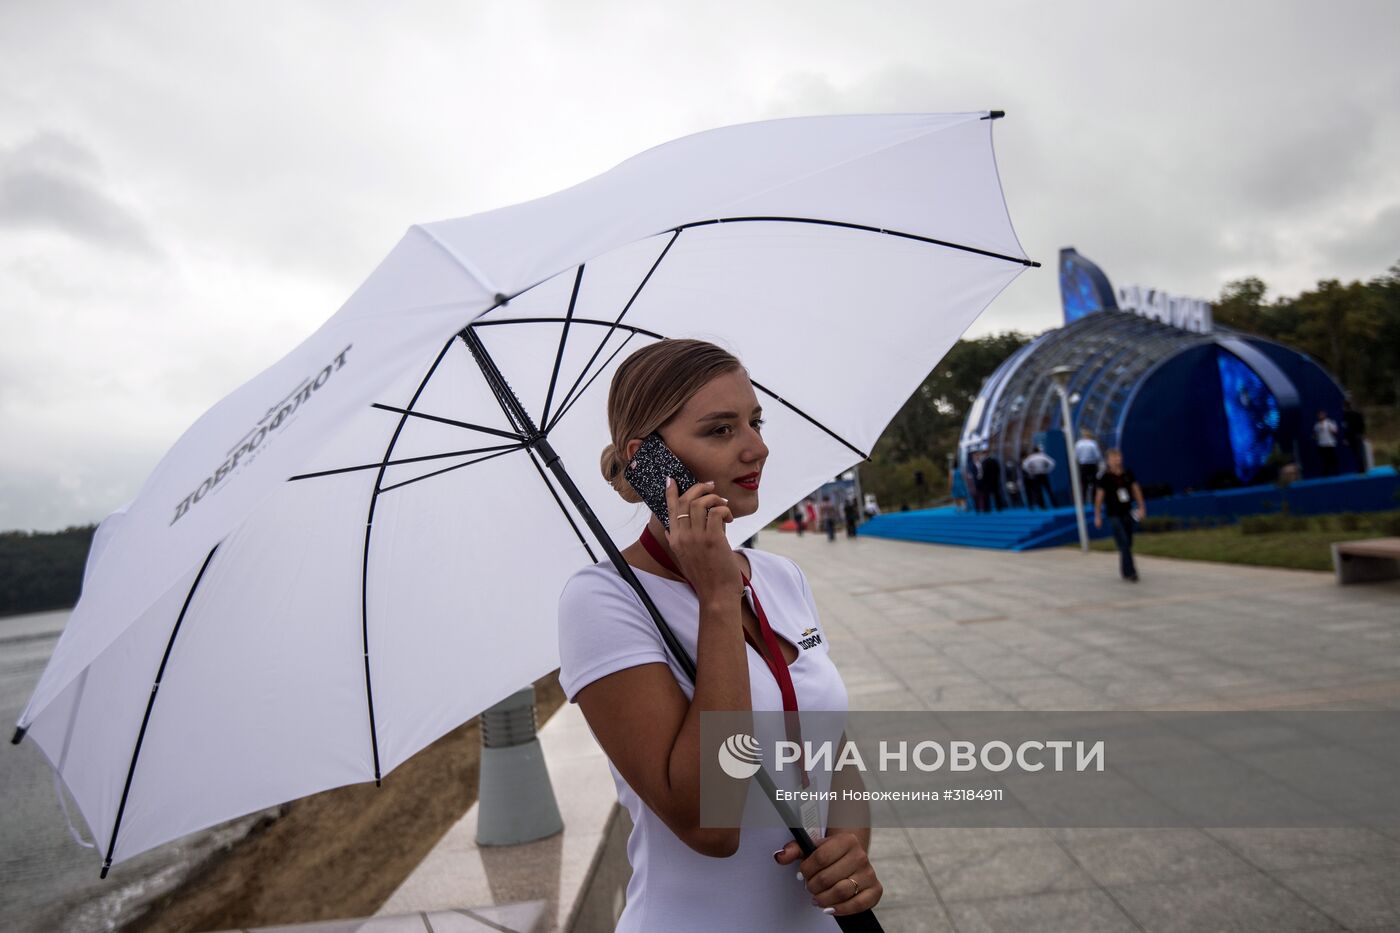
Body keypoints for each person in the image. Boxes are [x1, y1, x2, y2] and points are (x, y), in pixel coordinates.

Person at [557, 339, 883, 930]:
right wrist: (715, 600)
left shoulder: (783, 578)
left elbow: (832, 748)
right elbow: (710, 824)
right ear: (651, 460)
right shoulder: (603, 601)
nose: (756, 447)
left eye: (755, 422)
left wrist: (851, 843)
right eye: (720, 430)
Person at [1094, 448, 1146, 582]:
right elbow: (1099, 497)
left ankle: (1125, 571)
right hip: (1113, 514)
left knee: (1128, 543)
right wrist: (1098, 515)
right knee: (1123, 541)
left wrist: (1141, 507)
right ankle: (1131, 572)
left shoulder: (1128, 474)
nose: (1116, 461)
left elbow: (1136, 490)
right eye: (1113, 458)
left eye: (1118, 458)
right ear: (1108, 461)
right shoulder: (1104, 477)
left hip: (1127, 511)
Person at [1074, 429, 1103, 502]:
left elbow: (1075, 455)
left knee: (1084, 484)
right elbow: (1098, 455)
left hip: (1083, 465)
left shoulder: (1078, 444)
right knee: (1094, 483)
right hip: (1092, 465)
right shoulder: (1093, 443)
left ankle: (1083, 500)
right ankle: (1094, 500)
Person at [1342, 399, 1368, 474]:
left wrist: (1346, 438)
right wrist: (1362, 433)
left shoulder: (1346, 415)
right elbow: (1362, 425)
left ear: (1345, 407)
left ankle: (1361, 469)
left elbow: (1346, 427)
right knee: (1359, 453)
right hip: (1357, 435)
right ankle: (1362, 468)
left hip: (1353, 436)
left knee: (1357, 453)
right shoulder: (1358, 414)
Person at [1313, 409, 1339, 477]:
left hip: (1330, 443)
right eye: (1319, 415)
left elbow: (1335, 432)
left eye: (1322, 414)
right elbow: (1316, 435)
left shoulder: (1330, 422)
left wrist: (1332, 430)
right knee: (1325, 459)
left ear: (1325, 415)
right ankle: (1326, 473)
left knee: (1332, 458)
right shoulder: (1316, 425)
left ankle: (1336, 472)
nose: (1321, 416)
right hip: (1321, 444)